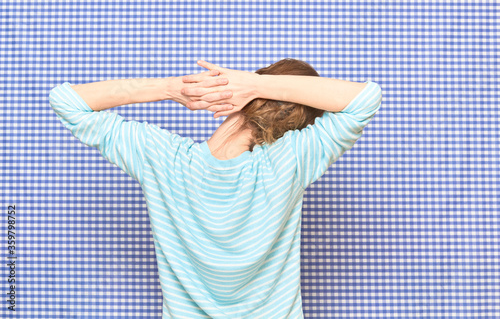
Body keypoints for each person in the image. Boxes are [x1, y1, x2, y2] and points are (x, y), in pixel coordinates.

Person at [49, 58, 382, 318]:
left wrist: (170, 88)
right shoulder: (292, 159)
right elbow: (366, 99)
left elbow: (66, 101)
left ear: (241, 101)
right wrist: (256, 85)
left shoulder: (162, 158)